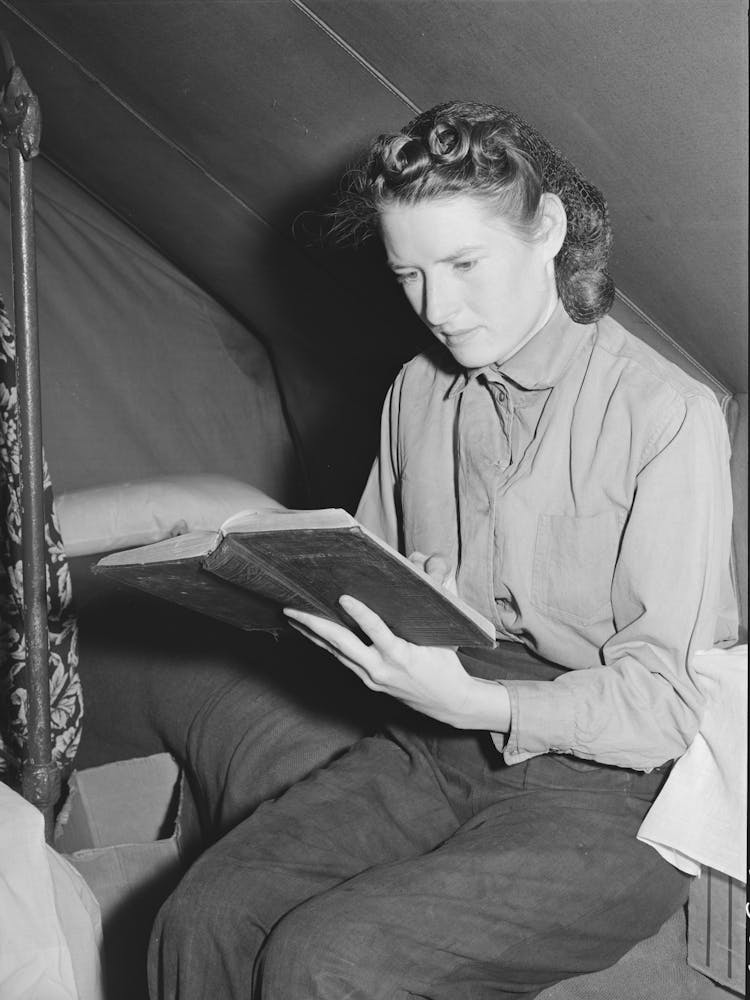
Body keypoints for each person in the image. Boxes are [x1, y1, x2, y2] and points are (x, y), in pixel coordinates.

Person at [148, 101, 738, 999]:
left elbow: (662, 706)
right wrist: (315, 599)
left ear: (549, 231)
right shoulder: (417, 393)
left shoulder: (665, 415)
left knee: (327, 959)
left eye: (464, 264)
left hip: (615, 796)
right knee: (206, 913)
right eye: (409, 274)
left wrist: (480, 700)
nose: (438, 308)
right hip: (433, 746)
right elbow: (370, 569)